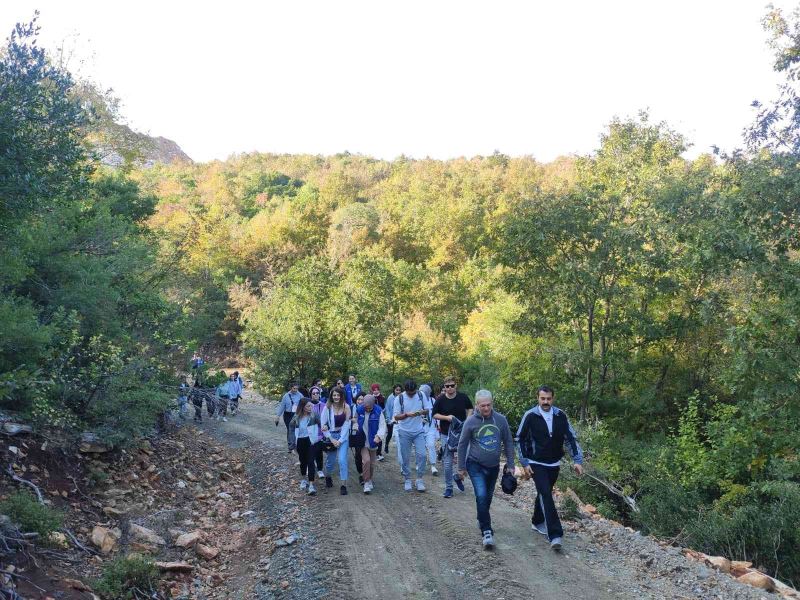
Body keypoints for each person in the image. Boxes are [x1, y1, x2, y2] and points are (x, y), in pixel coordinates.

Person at [516, 385, 584, 552]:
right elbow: (520, 439)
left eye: (548, 399)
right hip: (536, 463)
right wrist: (525, 463)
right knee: (546, 494)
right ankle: (555, 535)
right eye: (542, 399)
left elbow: (571, 438)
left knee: (543, 492)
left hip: (554, 463)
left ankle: (537, 521)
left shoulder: (560, 415)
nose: (545, 402)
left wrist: (577, 460)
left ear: (553, 399)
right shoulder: (530, 416)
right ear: (537, 398)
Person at [457, 390, 516, 550]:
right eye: (482, 405)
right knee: (481, 495)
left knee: (487, 498)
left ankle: (481, 517)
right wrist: (461, 467)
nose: (486, 408)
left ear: (492, 403)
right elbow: (462, 445)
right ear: (476, 405)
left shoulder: (500, 420)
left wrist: (511, 464)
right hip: (475, 464)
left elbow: (509, 442)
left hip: (494, 466)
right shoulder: (470, 422)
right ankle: (487, 531)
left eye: (488, 405)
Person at [433, 376, 474, 498]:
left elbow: (470, 408)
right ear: (444, 387)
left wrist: (468, 420)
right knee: (447, 462)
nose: (450, 388)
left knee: (467, 458)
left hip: (462, 433)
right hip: (447, 433)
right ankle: (449, 488)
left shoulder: (463, 397)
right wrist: (446, 417)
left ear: (456, 385)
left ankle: (459, 476)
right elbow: (434, 414)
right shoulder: (440, 400)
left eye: (452, 385)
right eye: (447, 386)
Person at [393, 379, 432, 492]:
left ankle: (419, 479)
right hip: (404, 431)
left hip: (418, 430)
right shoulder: (399, 398)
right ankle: (407, 479)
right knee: (405, 457)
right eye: (409, 393)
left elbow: (427, 410)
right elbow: (396, 417)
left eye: (413, 392)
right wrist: (407, 414)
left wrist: (420, 412)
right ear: (406, 390)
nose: (412, 394)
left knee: (423, 455)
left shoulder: (421, 394)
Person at [353, 394, 387, 494]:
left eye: (369, 407)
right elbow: (354, 419)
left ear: (373, 404)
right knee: (366, 461)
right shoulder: (359, 409)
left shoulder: (378, 411)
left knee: (372, 464)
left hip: (373, 440)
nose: (367, 409)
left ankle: (370, 478)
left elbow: (382, 426)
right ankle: (366, 482)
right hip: (362, 440)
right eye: (365, 407)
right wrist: (355, 424)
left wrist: (379, 436)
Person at [321, 387, 352, 495]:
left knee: (342, 460)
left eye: (338, 395)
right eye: (334, 395)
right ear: (331, 396)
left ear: (342, 396)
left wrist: (341, 439)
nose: (336, 397)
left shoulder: (346, 407)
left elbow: (347, 424)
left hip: (343, 436)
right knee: (331, 461)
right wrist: (331, 438)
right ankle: (328, 476)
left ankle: (343, 485)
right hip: (331, 436)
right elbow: (323, 424)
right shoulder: (327, 407)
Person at [290, 398, 321, 496]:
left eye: (311, 406)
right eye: (308, 406)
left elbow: (322, 425)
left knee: (311, 462)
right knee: (303, 462)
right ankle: (304, 479)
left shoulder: (314, 415)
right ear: (302, 407)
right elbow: (291, 428)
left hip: (311, 441)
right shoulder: (296, 417)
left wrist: (320, 436)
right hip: (300, 441)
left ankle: (311, 485)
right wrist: (292, 444)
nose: (310, 408)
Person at [275, 382, 303, 451]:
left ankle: (295, 444)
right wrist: (278, 416)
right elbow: (282, 406)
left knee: (296, 429)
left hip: (296, 414)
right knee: (290, 429)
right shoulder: (286, 396)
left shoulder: (300, 395)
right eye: (294, 388)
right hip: (287, 415)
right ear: (291, 388)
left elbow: (304, 404)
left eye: (297, 388)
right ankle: (290, 444)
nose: (295, 390)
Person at [419, 384, 439, 477]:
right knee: (420, 447)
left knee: (431, 445)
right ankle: (419, 463)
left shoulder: (433, 400)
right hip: (419, 427)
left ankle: (433, 465)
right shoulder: (417, 401)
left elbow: (437, 413)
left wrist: (438, 425)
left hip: (431, 427)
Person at [309, 386, 327, 478]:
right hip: (311, 433)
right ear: (311, 395)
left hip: (321, 433)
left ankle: (320, 469)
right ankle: (310, 468)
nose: (316, 394)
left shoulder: (324, 405)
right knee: (311, 451)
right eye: (313, 393)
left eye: (317, 393)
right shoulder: (308, 405)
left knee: (319, 452)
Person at [383, 384, 402, 455]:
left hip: (400, 418)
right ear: (394, 390)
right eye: (397, 390)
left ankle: (400, 448)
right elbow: (387, 408)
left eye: (399, 390)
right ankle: (386, 445)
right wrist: (388, 419)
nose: (398, 391)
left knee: (400, 434)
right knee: (390, 434)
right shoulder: (390, 397)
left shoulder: (402, 397)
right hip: (391, 418)